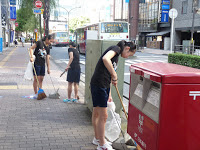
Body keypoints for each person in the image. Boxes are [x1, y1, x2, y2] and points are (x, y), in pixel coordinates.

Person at [90, 40, 136, 150]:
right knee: (103, 116)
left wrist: (109, 93)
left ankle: (97, 138)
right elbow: (105, 59)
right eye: (130, 54)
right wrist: (114, 74)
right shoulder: (116, 49)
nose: (128, 57)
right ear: (127, 49)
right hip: (99, 85)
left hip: (102, 85)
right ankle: (102, 144)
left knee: (97, 113)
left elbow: (108, 72)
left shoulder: (117, 55)